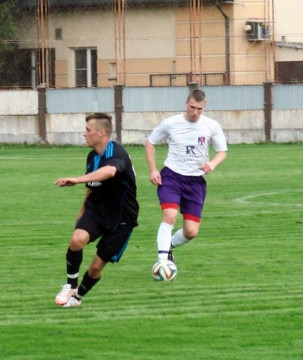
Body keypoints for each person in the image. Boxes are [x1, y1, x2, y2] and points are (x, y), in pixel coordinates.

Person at [54, 113, 139, 308]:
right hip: (97, 209)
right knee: (77, 240)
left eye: (88, 130)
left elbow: (109, 172)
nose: (84, 134)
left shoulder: (117, 154)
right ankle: (71, 284)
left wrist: (76, 179)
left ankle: (77, 297)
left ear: (101, 133)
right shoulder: (92, 156)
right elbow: (93, 184)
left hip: (122, 218)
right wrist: (83, 209)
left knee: (95, 268)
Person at [145, 89, 227, 269]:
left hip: (195, 182)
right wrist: (153, 170)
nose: (195, 112)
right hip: (171, 177)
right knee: (170, 215)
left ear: (204, 107)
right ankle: (162, 262)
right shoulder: (171, 123)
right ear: (186, 103)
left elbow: (222, 151)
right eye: (192, 107)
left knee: (191, 232)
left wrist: (212, 164)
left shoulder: (211, 125)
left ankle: (169, 248)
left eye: (199, 109)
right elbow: (150, 142)